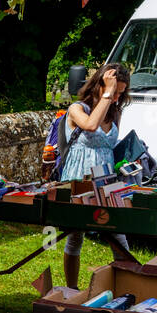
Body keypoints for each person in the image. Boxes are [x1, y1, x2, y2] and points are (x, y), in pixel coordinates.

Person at [58, 63, 132, 288]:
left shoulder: (114, 111)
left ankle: (125, 287)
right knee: (75, 236)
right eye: (114, 91)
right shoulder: (76, 109)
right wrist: (107, 95)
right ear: (99, 86)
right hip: (80, 178)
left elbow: (108, 145)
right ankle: (72, 289)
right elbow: (90, 126)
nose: (117, 97)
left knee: (118, 235)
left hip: (105, 179)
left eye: (121, 92)